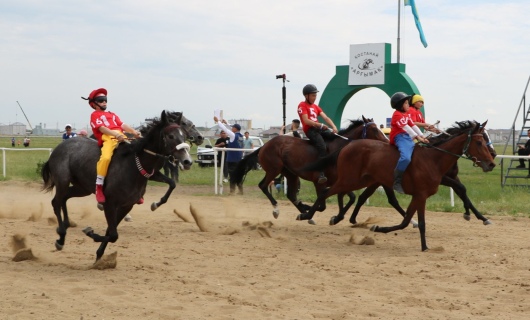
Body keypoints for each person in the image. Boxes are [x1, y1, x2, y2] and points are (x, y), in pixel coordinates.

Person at [82, 88, 141, 206]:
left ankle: (137, 190)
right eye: (101, 100)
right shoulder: (94, 115)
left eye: (105, 100)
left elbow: (122, 125)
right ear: (94, 103)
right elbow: (102, 129)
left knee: (137, 155)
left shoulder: (112, 115)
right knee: (106, 159)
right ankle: (99, 187)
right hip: (108, 139)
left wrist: (134, 132)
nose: (104, 102)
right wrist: (116, 134)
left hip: (122, 136)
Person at [389, 92, 429, 194]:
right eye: (406, 103)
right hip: (400, 137)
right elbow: (406, 128)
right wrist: (418, 137)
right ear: (400, 105)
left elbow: (412, 125)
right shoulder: (397, 115)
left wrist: (422, 136)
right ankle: (397, 181)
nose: (408, 105)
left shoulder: (406, 114)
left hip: (407, 137)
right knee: (406, 158)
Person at [297, 84, 337, 183]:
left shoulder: (316, 106)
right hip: (310, 130)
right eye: (313, 95)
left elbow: (326, 117)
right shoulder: (302, 105)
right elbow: (306, 121)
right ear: (306, 96)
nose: (315, 98)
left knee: (334, 137)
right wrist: (319, 125)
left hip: (319, 129)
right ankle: (320, 173)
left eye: (315, 95)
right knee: (322, 147)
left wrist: (334, 127)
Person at [214, 116, 243, 194]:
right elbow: (230, 128)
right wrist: (227, 123)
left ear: (235, 129)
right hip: (239, 158)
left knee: (232, 175)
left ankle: (232, 191)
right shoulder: (241, 135)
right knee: (238, 175)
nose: (231, 128)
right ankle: (240, 191)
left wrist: (218, 122)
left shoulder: (233, 135)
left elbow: (225, 129)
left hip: (232, 159)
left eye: (233, 128)